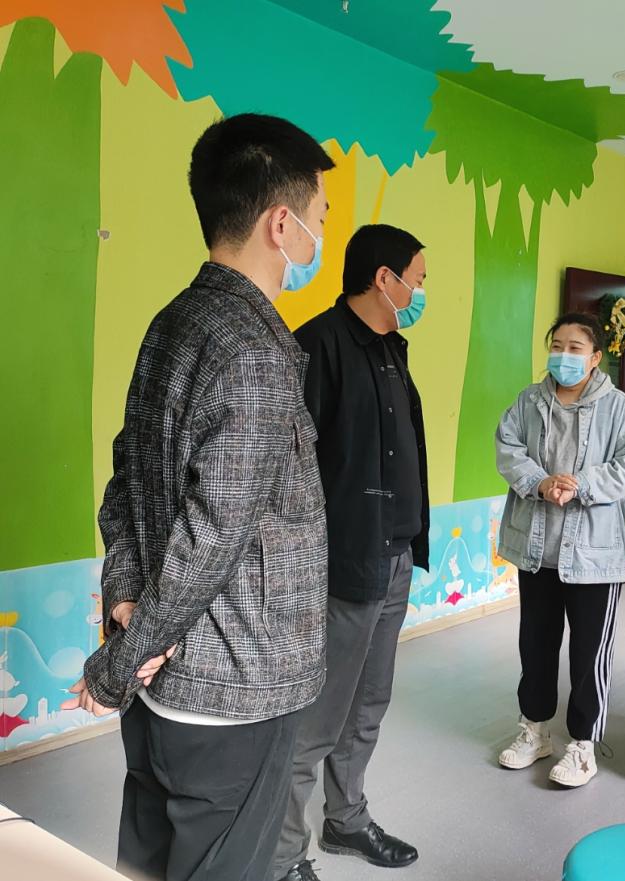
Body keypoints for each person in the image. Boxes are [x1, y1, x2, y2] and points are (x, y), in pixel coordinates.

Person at [61, 112, 334, 881]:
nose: (319, 236)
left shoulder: (173, 323)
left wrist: (126, 598)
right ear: (280, 224)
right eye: (318, 218)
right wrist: (118, 662)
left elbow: (126, 475)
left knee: (148, 860)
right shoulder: (252, 350)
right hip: (230, 691)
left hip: (168, 684)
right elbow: (213, 538)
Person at [273, 224, 430, 881]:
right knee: (316, 719)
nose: (420, 292)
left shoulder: (393, 348)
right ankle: (283, 856)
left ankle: (346, 818)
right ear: (383, 278)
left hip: (395, 557)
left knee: (368, 706)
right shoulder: (316, 347)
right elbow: (290, 469)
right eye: (416, 279)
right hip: (343, 566)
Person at [494, 312, 625, 787]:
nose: (564, 355)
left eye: (575, 348)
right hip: (537, 546)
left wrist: (579, 483)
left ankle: (583, 744)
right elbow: (508, 448)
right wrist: (539, 482)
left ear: (596, 357)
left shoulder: (619, 408)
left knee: (589, 653)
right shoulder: (529, 401)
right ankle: (535, 730)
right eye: (557, 345)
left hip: (594, 554)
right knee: (535, 644)